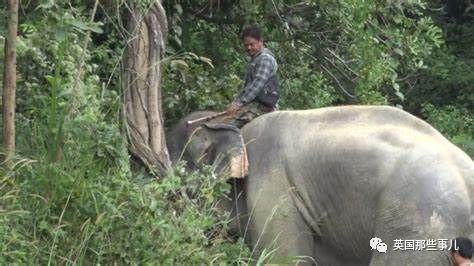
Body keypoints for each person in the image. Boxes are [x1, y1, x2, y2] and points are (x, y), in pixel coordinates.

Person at [218, 25, 280, 128]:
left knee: (227, 126)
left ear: (261, 41)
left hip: (262, 107)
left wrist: (238, 103)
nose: (249, 48)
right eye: (246, 45)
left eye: (252, 44)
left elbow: (257, 85)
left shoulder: (265, 59)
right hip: (254, 104)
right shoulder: (256, 59)